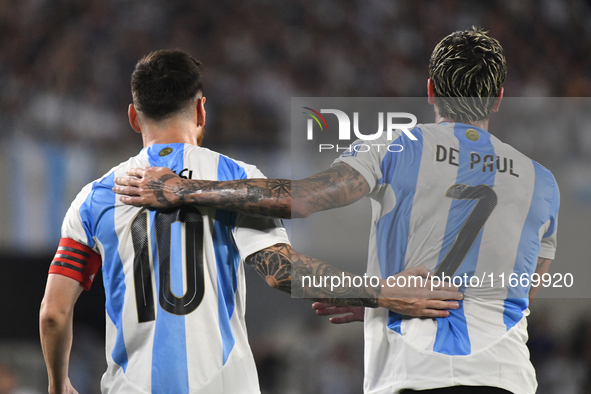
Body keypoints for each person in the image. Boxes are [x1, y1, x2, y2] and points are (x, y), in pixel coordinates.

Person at [114, 28, 559, 394]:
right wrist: (382, 302)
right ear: (499, 97)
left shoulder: (398, 146)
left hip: (413, 375)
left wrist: (186, 189)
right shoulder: (543, 183)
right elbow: (520, 296)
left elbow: (300, 199)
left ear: (430, 91)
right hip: (509, 378)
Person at [39, 50, 461, 394]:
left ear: (134, 116)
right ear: (202, 111)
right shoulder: (235, 178)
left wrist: (59, 385)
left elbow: (53, 314)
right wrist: (385, 291)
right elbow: (284, 274)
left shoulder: (95, 197)